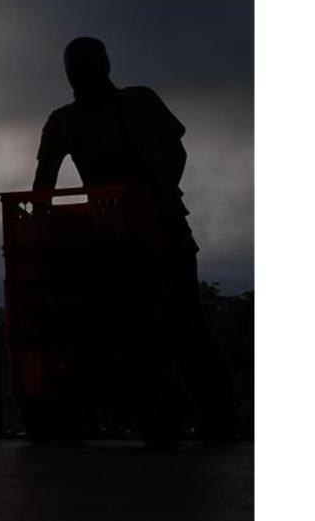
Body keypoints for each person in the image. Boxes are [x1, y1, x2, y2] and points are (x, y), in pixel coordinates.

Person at [33, 36, 236, 440]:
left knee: (179, 322)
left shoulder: (136, 103)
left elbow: (175, 155)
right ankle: (172, 418)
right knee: (147, 327)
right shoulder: (65, 121)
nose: (80, 73)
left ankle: (215, 420)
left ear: (105, 65)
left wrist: (151, 195)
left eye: (85, 64)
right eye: (75, 66)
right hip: (112, 237)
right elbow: (43, 188)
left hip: (159, 228)